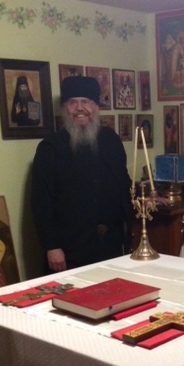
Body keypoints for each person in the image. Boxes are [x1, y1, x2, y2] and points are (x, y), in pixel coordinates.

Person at [31, 75, 133, 273]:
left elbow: (123, 183)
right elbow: (41, 202)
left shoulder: (110, 140)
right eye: (72, 103)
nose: (80, 108)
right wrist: (51, 246)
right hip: (71, 250)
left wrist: (144, 198)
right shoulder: (50, 148)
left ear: (95, 107)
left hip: (110, 246)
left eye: (86, 102)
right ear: (64, 109)